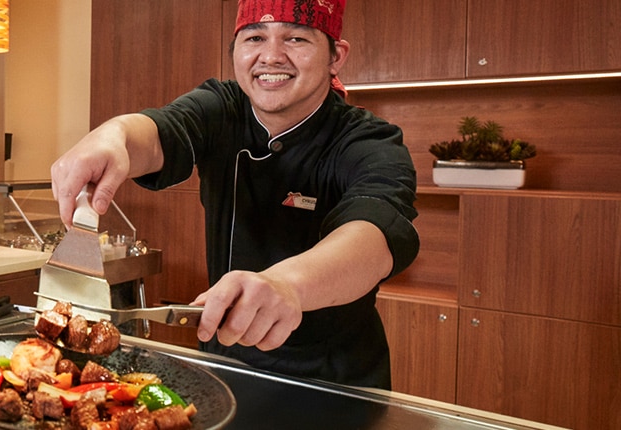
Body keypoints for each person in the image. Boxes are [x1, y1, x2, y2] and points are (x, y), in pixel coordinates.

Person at [49, 0, 420, 389]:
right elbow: (160, 133)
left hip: (333, 381)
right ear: (236, 51)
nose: (271, 56)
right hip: (225, 366)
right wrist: (113, 136)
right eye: (255, 37)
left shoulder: (369, 140)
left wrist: (288, 285)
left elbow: (374, 234)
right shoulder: (222, 109)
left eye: (296, 38)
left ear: (335, 56)